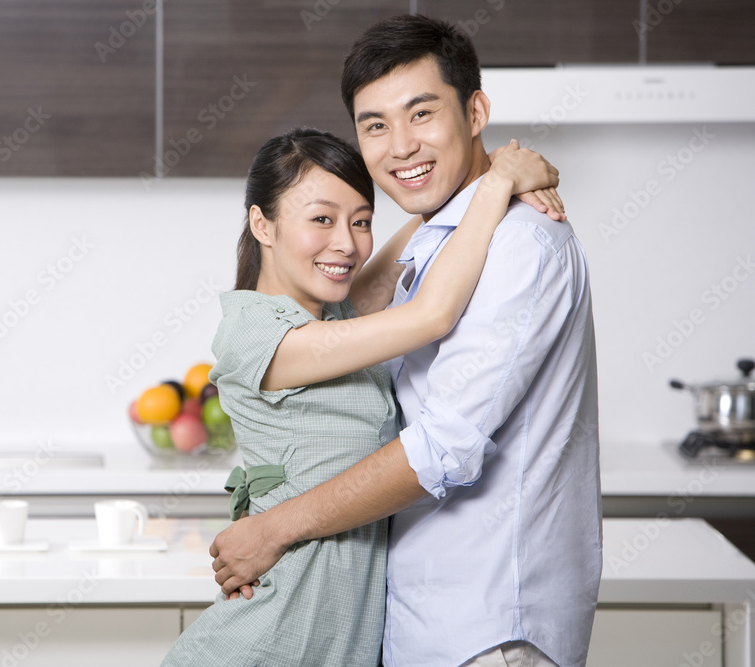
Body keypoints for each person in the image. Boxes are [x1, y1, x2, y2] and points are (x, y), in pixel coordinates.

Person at [210, 14, 602, 667]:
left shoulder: (521, 245)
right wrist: (496, 175)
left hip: (488, 630)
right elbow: (388, 286)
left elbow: (444, 443)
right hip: (424, 624)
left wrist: (273, 527)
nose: (400, 146)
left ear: (475, 110)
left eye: (421, 114)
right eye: (375, 126)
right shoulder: (438, 241)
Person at [161, 126, 561, 666]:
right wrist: (497, 185)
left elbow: (430, 223)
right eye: (322, 219)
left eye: (362, 221)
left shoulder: (337, 314)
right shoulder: (260, 334)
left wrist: (495, 169)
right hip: (266, 642)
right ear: (263, 224)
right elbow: (431, 314)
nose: (347, 243)